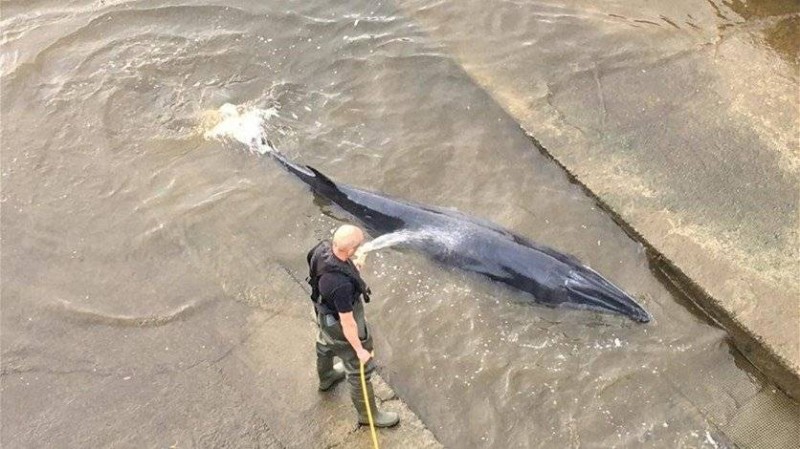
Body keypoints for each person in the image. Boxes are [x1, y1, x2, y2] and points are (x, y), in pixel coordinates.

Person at [306, 224, 400, 427]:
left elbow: (331, 275)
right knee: (358, 370)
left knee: (324, 343)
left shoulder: (321, 250)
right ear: (348, 251)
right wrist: (359, 350)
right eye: (358, 245)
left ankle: (327, 377)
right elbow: (348, 323)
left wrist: (354, 266)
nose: (361, 246)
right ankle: (368, 416)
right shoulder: (341, 286)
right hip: (340, 322)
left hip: (324, 314)